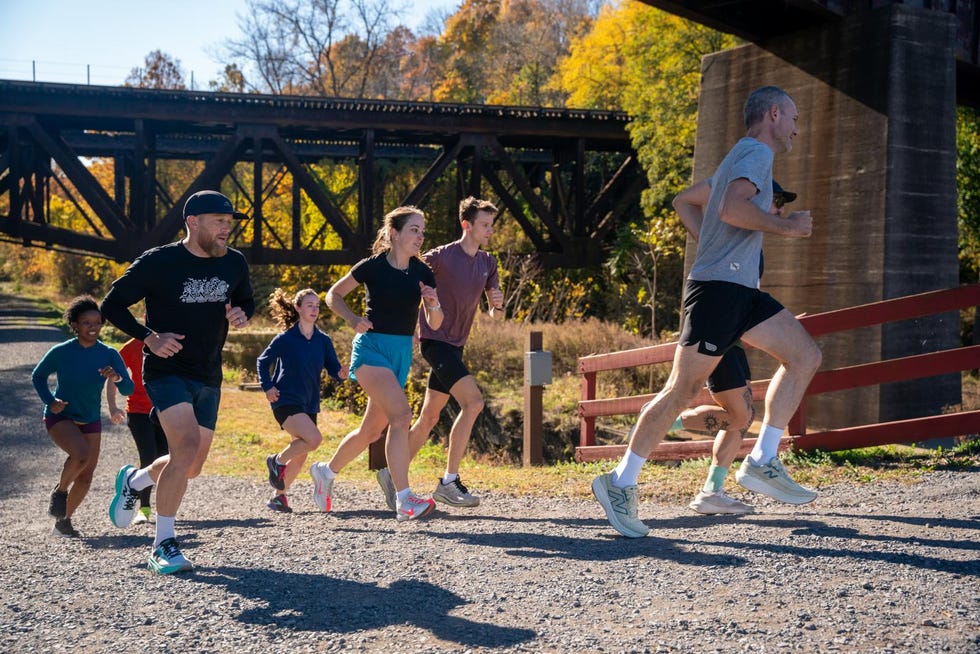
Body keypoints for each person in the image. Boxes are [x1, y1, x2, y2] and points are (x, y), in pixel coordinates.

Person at [592, 86, 822, 538]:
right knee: (681, 390)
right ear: (773, 114)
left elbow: (707, 205)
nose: (797, 126)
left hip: (738, 289)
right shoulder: (755, 153)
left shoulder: (739, 156)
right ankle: (619, 483)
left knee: (805, 356)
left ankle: (762, 459)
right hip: (719, 291)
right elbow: (733, 209)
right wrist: (787, 226)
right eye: (794, 117)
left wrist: (711, 246)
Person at [101, 189, 254, 573]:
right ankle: (163, 545)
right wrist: (148, 336)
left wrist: (240, 313)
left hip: (209, 372)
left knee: (192, 464)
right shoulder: (160, 262)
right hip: (166, 371)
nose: (226, 229)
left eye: (229, 223)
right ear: (193, 222)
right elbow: (112, 305)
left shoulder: (234, 262)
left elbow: (245, 300)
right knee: (184, 446)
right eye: (219, 222)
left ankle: (136, 480)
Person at [309, 205, 443, 521]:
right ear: (394, 233)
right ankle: (405, 499)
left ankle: (325, 472)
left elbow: (435, 323)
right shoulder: (372, 266)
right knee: (402, 417)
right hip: (370, 351)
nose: (420, 236)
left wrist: (433, 303)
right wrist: (353, 319)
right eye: (414, 229)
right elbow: (333, 295)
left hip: (399, 355)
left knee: (370, 431)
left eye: (423, 230)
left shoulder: (423, 273)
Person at [673, 180, 799, 515]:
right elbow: (683, 200)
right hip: (717, 330)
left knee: (741, 416)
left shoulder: (750, 245)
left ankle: (710, 488)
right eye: (776, 201)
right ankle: (663, 422)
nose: (781, 209)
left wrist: (775, 325)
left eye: (783, 203)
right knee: (738, 415)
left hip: (733, 334)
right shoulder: (729, 236)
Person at [374, 197, 504, 510]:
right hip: (435, 341)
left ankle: (392, 476)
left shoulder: (488, 263)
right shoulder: (442, 257)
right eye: (484, 225)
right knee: (473, 403)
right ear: (467, 225)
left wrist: (497, 304)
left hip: (457, 345)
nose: (489, 230)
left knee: (429, 417)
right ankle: (449, 481)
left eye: (491, 225)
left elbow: (495, 316)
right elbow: (406, 264)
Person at [31, 295, 134, 537]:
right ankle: (60, 492)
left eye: (97, 322)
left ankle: (63, 521)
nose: (93, 327)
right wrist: (50, 401)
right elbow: (38, 376)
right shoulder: (61, 351)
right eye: (86, 322)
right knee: (80, 456)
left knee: (86, 476)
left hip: (89, 418)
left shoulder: (108, 354)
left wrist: (116, 377)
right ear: (75, 325)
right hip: (61, 416)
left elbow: (128, 388)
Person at [258, 288, 347, 513]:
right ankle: (276, 461)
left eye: (317, 306)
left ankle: (279, 497)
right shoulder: (286, 339)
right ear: (298, 308)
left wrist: (340, 374)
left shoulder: (323, 340)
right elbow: (262, 362)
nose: (315, 310)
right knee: (314, 439)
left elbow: (333, 367)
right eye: (309, 305)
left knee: (302, 452)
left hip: (309, 402)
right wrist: (268, 387)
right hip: (285, 399)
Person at [106, 336, 169, 524]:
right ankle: (144, 508)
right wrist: (112, 406)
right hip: (139, 410)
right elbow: (112, 377)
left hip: (166, 410)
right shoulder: (133, 346)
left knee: (167, 458)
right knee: (149, 456)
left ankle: (165, 510)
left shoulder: (172, 341)